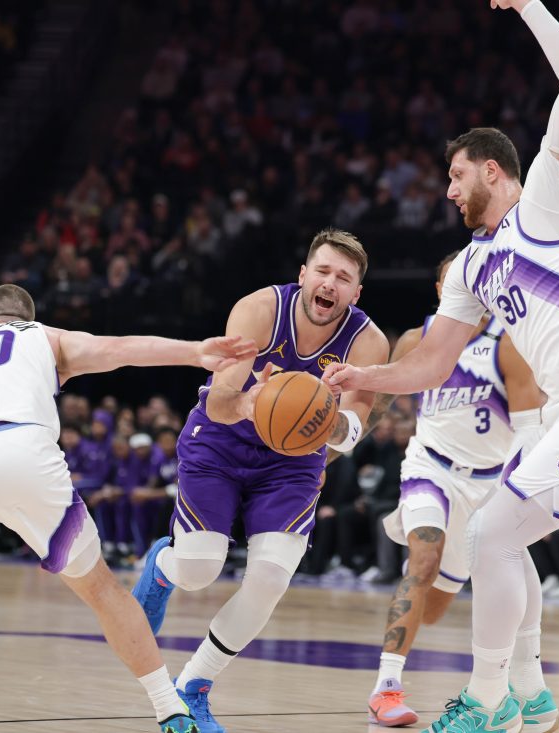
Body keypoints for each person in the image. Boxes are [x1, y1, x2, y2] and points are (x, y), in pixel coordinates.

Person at [323, 2, 559, 730]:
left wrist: (529, 5)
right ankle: (530, 697)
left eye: (455, 176)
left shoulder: (547, 198)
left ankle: (486, 700)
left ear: (491, 170)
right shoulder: (472, 267)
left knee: (491, 534)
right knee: (505, 540)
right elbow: (429, 366)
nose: (448, 191)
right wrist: (363, 379)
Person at [0, 284, 257, 733]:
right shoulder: (45, 338)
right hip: (28, 456)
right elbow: (120, 349)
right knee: (103, 591)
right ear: (26, 319)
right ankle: (170, 709)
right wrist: (195, 352)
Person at [130, 229, 390, 733]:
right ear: (303, 275)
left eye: (343, 278)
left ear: (356, 293)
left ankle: (194, 685)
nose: (330, 284)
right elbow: (219, 401)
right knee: (200, 569)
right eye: (323, 271)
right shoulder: (258, 311)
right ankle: (164, 566)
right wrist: (251, 402)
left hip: (293, 460)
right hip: (222, 441)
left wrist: (326, 421)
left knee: (270, 579)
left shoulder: (367, 341)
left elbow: (354, 425)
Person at [365, 251, 556, 731]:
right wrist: (332, 450)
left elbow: (529, 431)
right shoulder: (418, 339)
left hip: (489, 483)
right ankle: (386, 687)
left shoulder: (506, 344)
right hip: (429, 467)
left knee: (434, 609)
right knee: (423, 559)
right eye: (455, 283)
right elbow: (379, 404)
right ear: (440, 291)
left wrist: (527, 495)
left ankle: (517, 685)